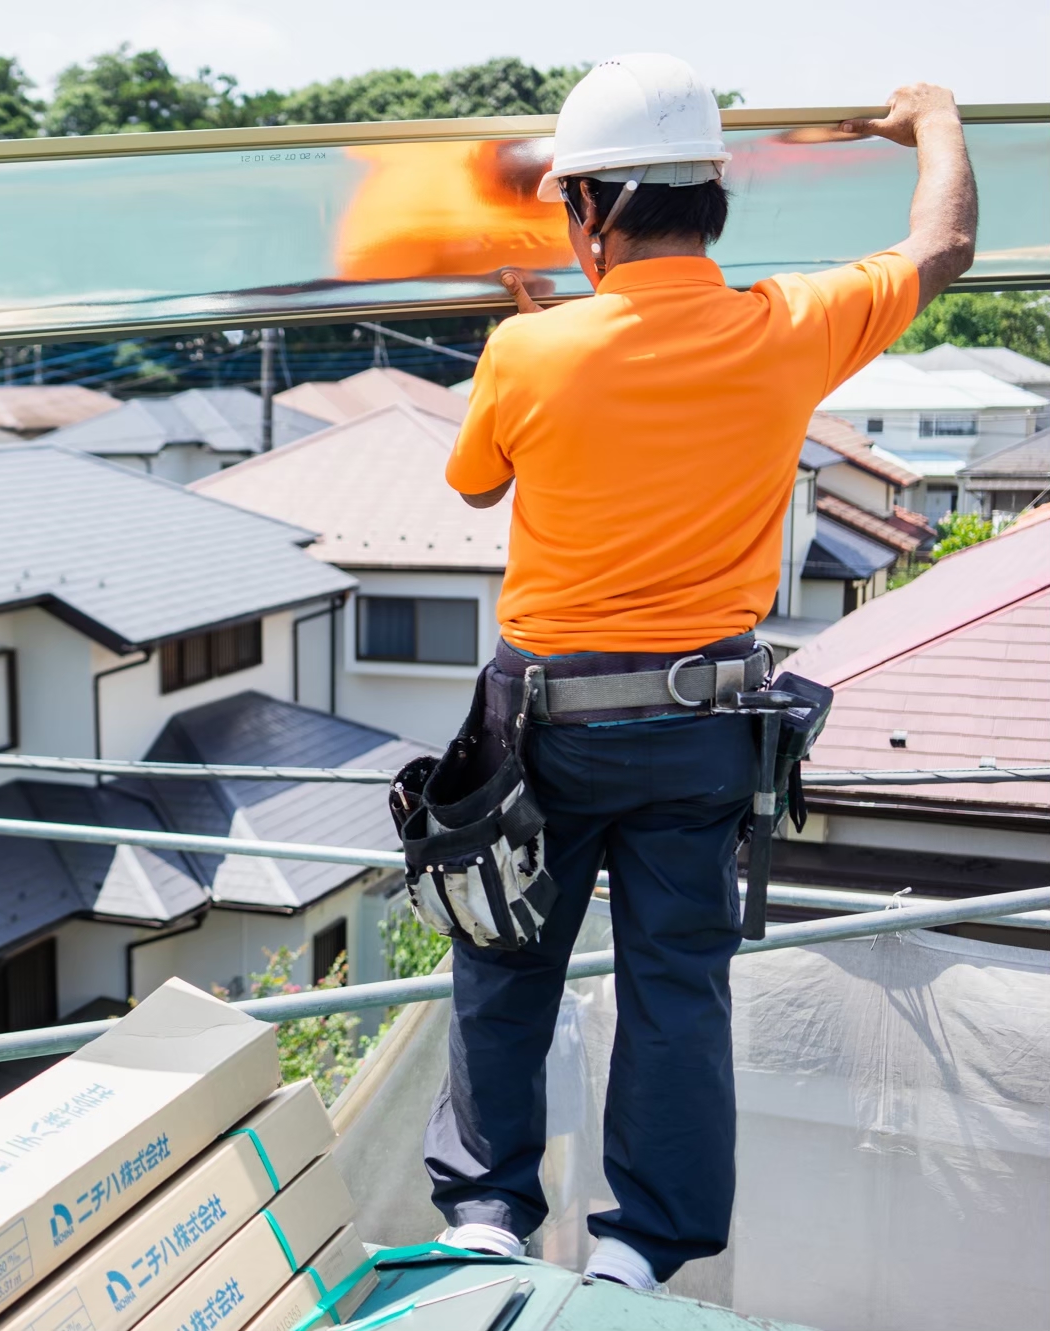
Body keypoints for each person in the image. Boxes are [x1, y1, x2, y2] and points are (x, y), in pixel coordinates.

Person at [423, 58, 976, 1289]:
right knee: (676, 980)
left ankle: (486, 1211)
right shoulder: (789, 323)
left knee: (507, 949)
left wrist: (532, 340)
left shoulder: (525, 349)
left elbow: (471, 484)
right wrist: (933, 115)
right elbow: (940, 246)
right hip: (701, 720)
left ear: (587, 212)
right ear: (710, 201)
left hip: (546, 725)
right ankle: (638, 1243)